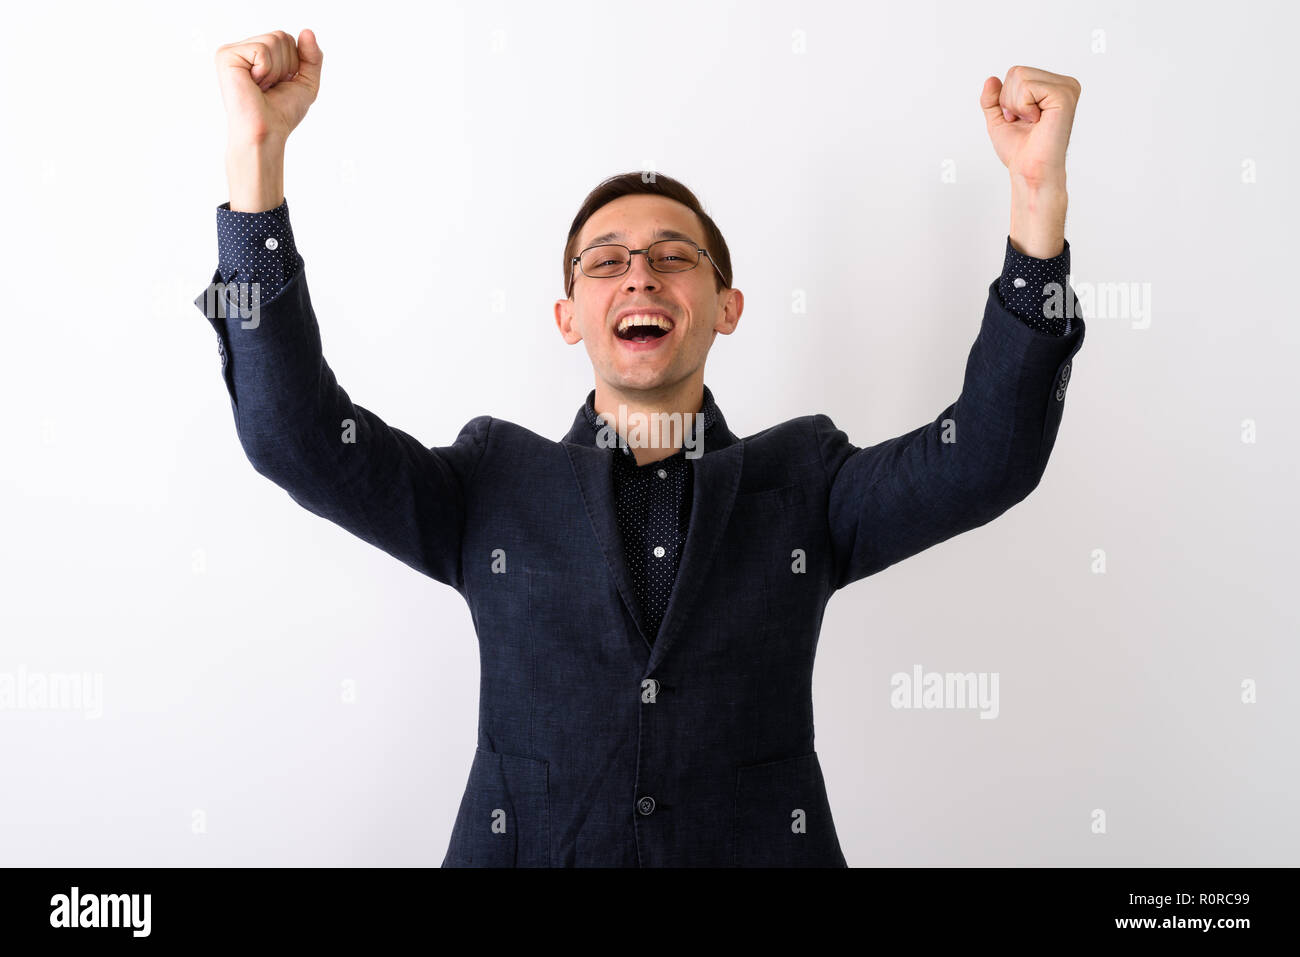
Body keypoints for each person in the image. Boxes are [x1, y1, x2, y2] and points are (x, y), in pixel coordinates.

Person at [194, 29, 1085, 867]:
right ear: (567, 315)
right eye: (605, 261)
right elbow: (294, 438)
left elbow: (987, 457)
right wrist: (255, 165)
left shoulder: (804, 480)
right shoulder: (490, 482)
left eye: (672, 256)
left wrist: (1037, 203)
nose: (639, 275)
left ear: (726, 307)